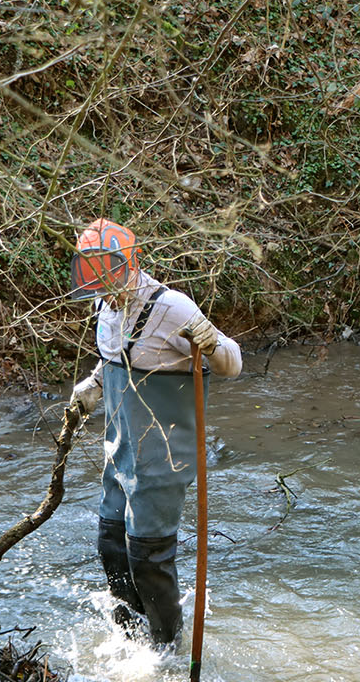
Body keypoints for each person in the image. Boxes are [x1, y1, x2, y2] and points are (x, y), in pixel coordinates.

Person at [68, 219, 242, 646]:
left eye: (108, 280)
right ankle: (130, 643)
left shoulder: (173, 308)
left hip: (164, 458)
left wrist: (214, 343)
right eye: (94, 282)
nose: (104, 292)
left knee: (148, 560)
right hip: (121, 454)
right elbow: (116, 358)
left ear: (131, 264)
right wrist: (93, 385)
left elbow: (233, 364)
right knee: (111, 545)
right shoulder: (104, 304)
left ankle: (166, 649)